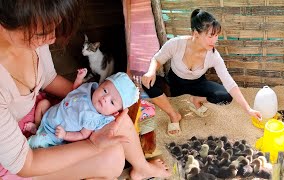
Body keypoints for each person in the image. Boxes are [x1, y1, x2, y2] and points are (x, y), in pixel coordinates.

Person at [0, 1, 171, 180]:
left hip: (40, 116)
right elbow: (26, 165)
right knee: (112, 159)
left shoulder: (35, 25)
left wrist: (88, 99)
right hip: (17, 158)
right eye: (42, 33)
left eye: (55, 27)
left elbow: (48, 78)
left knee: (117, 121)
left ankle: (142, 168)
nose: (51, 40)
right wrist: (93, 145)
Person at [141, 9, 262, 136]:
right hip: (174, 83)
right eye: (210, 36)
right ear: (196, 33)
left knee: (225, 97)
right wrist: (151, 71)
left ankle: (196, 100)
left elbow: (230, 83)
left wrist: (248, 109)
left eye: (216, 36)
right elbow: (157, 59)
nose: (215, 40)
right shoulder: (176, 44)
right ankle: (174, 115)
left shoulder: (214, 55)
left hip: (197, 84)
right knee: (147, 82)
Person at [28, 69, 140, 149]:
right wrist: (79, 79)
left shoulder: (93, 118)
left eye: (112, 102)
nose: (105, 98)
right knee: (43, 103)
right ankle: (37, 125)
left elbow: (83, 134)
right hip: (50, 114)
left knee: (36, 141)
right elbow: (75, 91)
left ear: (114, 112)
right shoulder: (89, 91)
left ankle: (37, 137)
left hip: (54, 132)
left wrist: (65, 135)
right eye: (105, 91)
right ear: (100, 85)